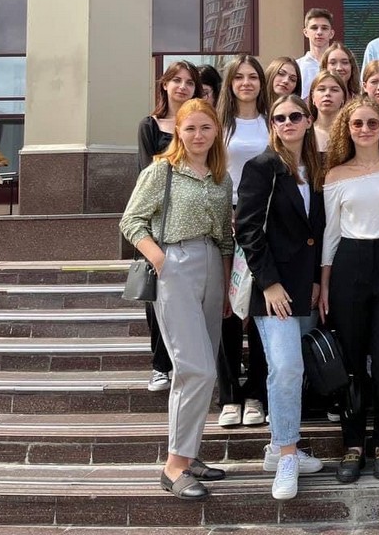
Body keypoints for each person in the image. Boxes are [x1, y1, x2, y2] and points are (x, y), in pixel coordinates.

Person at [119, 98, 233, 500]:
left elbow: (225, 237)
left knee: (205, 369)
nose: (198, 135)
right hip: (175, 264)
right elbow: (131, 220)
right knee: (193, 368)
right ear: (178, 132)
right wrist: (160, 259)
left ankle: (189, 453)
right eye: (190, 128)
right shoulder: (160, 170)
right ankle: (173, 467)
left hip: (212, 267)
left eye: (206, 127)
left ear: (216, 131)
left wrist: (226, 285)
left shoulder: (221, 178)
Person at [320, 96, 379, 484]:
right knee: (352, 360)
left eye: (372, 123)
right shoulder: (335, 174)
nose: (364, 129)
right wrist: (325, 283)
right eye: (357, 123)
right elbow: (330, 233)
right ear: (347, 128)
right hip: (348, 265)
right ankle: (353, 444)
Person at [235, 94, 326, 500]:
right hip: (273, 289)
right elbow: (247, 229)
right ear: (272, 124)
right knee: (286, 368)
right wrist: (269, 283)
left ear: (308, 120)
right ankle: (287, 455)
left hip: (306, 287)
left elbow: (319, 229)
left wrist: (318, 280)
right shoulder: (262, 167)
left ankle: (279, 447)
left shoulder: (318, 167)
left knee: (295, 368)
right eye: (279, 118)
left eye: (294, 116)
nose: (287, 123)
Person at [136, 60, 203, 393]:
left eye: (189, 82)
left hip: (196, 221)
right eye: (176, 80)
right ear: (164, 85)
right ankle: (160, 366)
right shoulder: (150, 126)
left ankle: (190, 361)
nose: (182, 87)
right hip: (160, 223)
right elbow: (144, 175)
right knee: (159, 296)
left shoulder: (200, 123)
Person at [216, 54, 271, 429]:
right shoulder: (220, 123)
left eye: (253, 76)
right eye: (240, 77)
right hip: (225, 218)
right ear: (230, 83)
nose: (247, 83)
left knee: (259, 306)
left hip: (264, 221)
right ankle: (229, 396)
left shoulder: (272, 120)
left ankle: (255, 394)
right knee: (227, 310)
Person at [297, 8, 335, 99]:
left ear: (331, 33)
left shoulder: (340, 65)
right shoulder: (297, 66)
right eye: (314, 28)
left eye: (324, 28)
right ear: (305, 32)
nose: (319, 32)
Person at [308, 70, 348, 152]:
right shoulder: (304, 132)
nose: (327, 94)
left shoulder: (351, 132)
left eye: (334, 90)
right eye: (321, 89)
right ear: (313, 97)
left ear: (343, 98)